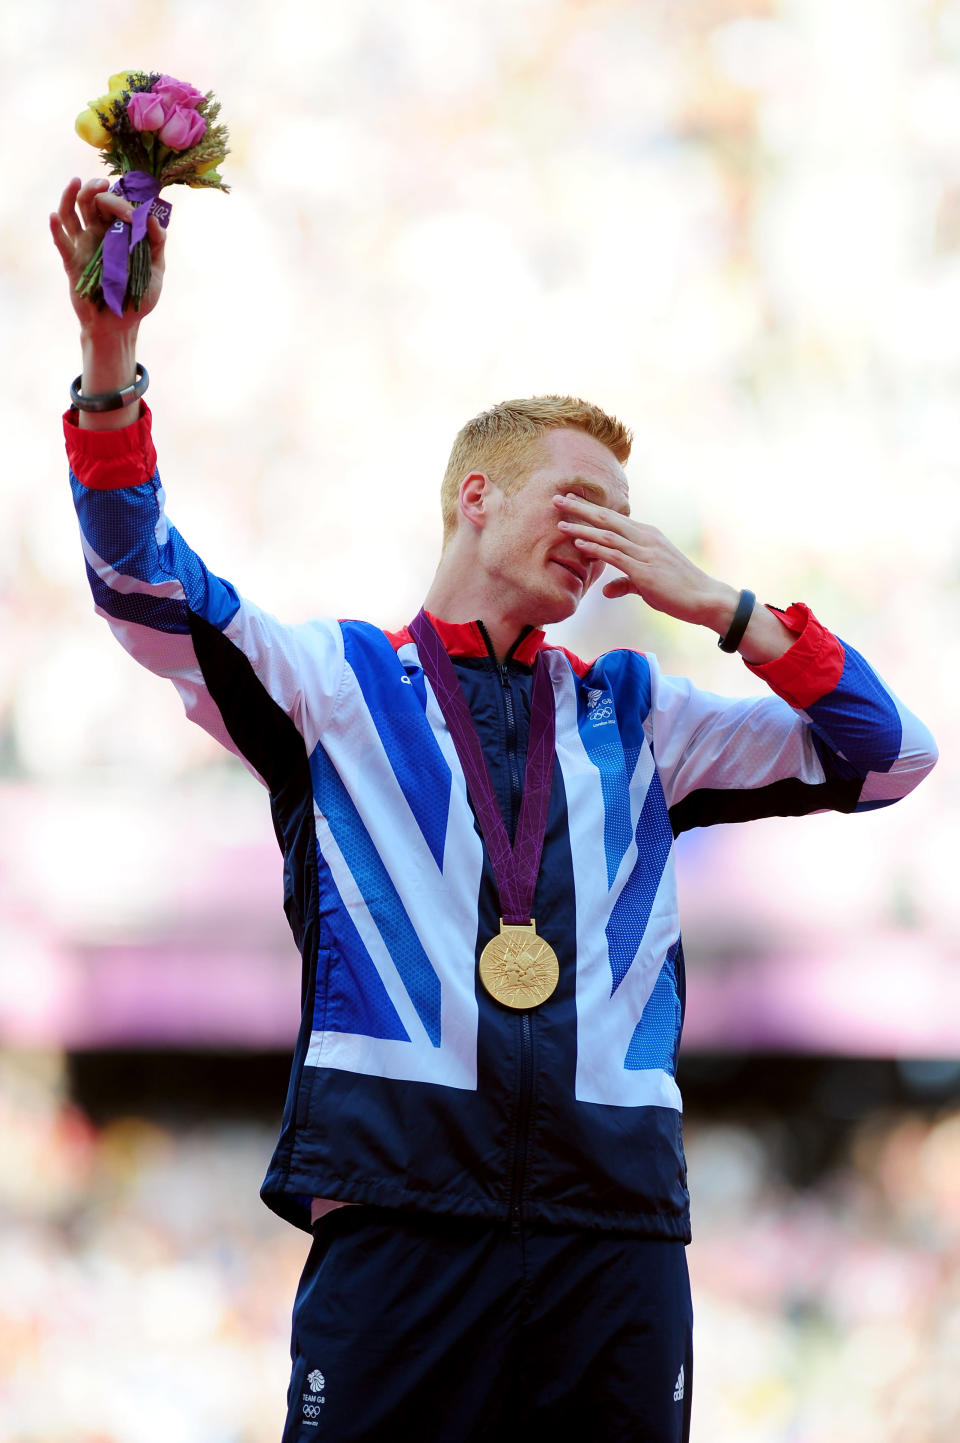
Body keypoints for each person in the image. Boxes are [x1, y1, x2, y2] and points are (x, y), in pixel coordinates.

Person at [52, 177, 937, 1443]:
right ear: (478, 497)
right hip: (404, 1224)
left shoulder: (644, 718)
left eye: (627, 522)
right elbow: (141, 582)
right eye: (582, 504)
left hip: (614, 1239)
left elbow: (891, 754)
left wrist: (726, 610)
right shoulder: (335, 688)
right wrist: (109, 359)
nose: (609, 542)